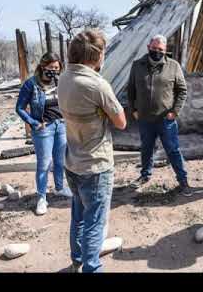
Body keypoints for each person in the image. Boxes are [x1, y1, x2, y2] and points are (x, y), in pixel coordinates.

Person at [58, 29, 127, 273]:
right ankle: (91, 267)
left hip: (72, 160)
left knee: (78, 214)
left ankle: (77, 258)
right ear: (96, 56)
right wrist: (102, 112)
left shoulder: (63, 78)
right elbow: (121, 122)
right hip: (95, 164)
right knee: (95, 222)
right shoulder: (97, 84)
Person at [127, 35, 191, 196]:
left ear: (165, 50)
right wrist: (134, 110)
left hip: (165, 119)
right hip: (144, 119)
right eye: (154, 48)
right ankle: (145, 175)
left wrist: (175, 111)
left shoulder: (173, 66)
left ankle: (183, 181)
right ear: (148, 47)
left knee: (173, 150)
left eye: (160, 50)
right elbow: (130, 90)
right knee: (146, 149)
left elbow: (182, 91)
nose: (157, 52)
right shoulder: (137, 66)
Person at [16, 53, 72, 216]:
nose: (54, 71)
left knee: (60, 161)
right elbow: (19, 108)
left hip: (61, 125)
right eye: (50, 68)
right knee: (44, 164)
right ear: (42, 66)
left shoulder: (61, 81)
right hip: (43, 129)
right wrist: (33, 123)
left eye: (57, 68)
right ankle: (42, 198)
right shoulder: (31, 84)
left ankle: (60, 188)